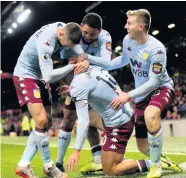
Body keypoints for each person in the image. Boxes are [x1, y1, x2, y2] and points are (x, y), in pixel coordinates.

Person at [107, 9, 181, 177]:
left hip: (160, 88)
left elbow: (154, 82)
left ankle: (155, 166)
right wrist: (102, 66)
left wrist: (127, 95)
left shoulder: (157, 49)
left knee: (150, 114)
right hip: (141, 95)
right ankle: (161, 160)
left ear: (140, 26)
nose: (126, 26)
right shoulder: (128, 40)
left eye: (129, 23)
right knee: (142, 146)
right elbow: (123, 60)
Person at [13, 21, 87, 178]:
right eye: (64, 44)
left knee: (46, 122)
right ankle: (49, 166)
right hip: (26, 75)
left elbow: (78, 51)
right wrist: (70, 67)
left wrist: (83, 58)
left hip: (40, 77)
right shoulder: (46, 41)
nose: (66, 49)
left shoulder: (67, 30)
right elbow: (48, 75)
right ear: (60, 34)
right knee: (40, 120)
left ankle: (23, 164)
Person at [66, 64, 152, 176]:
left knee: (111, 171)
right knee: (91, 118)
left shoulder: (77, 85)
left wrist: (76, 151)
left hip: (118, 122)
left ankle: (153, 163)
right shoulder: (93, 68)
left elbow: (83, 121)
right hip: (120, 113)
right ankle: (98, 158)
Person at [56, 13, 112, 173]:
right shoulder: (72, 33)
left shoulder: (104, 37)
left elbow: (107, 62)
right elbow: (58, 57)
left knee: (92, 120)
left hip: (94, 81)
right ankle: (59, 162)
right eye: (85, 32)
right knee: (68, 120)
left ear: (100, 31)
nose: (87, 37)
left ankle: (103, 156)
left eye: (92, 34)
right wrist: (64, 76)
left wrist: (87, 58)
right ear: (81, 26)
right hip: (72, 79)